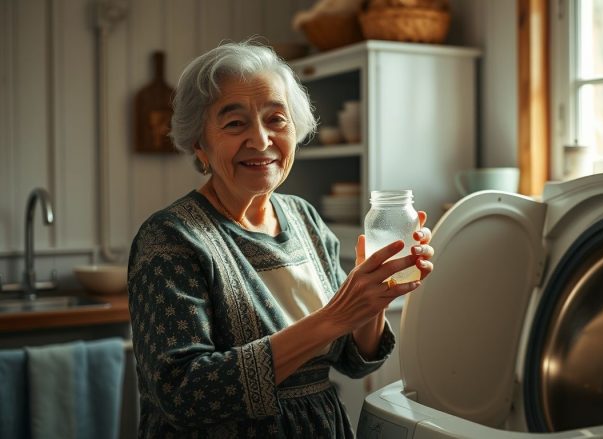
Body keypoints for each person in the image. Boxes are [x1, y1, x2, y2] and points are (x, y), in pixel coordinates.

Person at [127, 39, 434, 438]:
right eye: (235, 123)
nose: (260, 140)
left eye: (276, 119)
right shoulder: (170, 239)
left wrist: (374, 298)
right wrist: (335, 316)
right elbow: (184, 393)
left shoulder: (303, 219)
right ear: (198, 144)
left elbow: (353, 361)